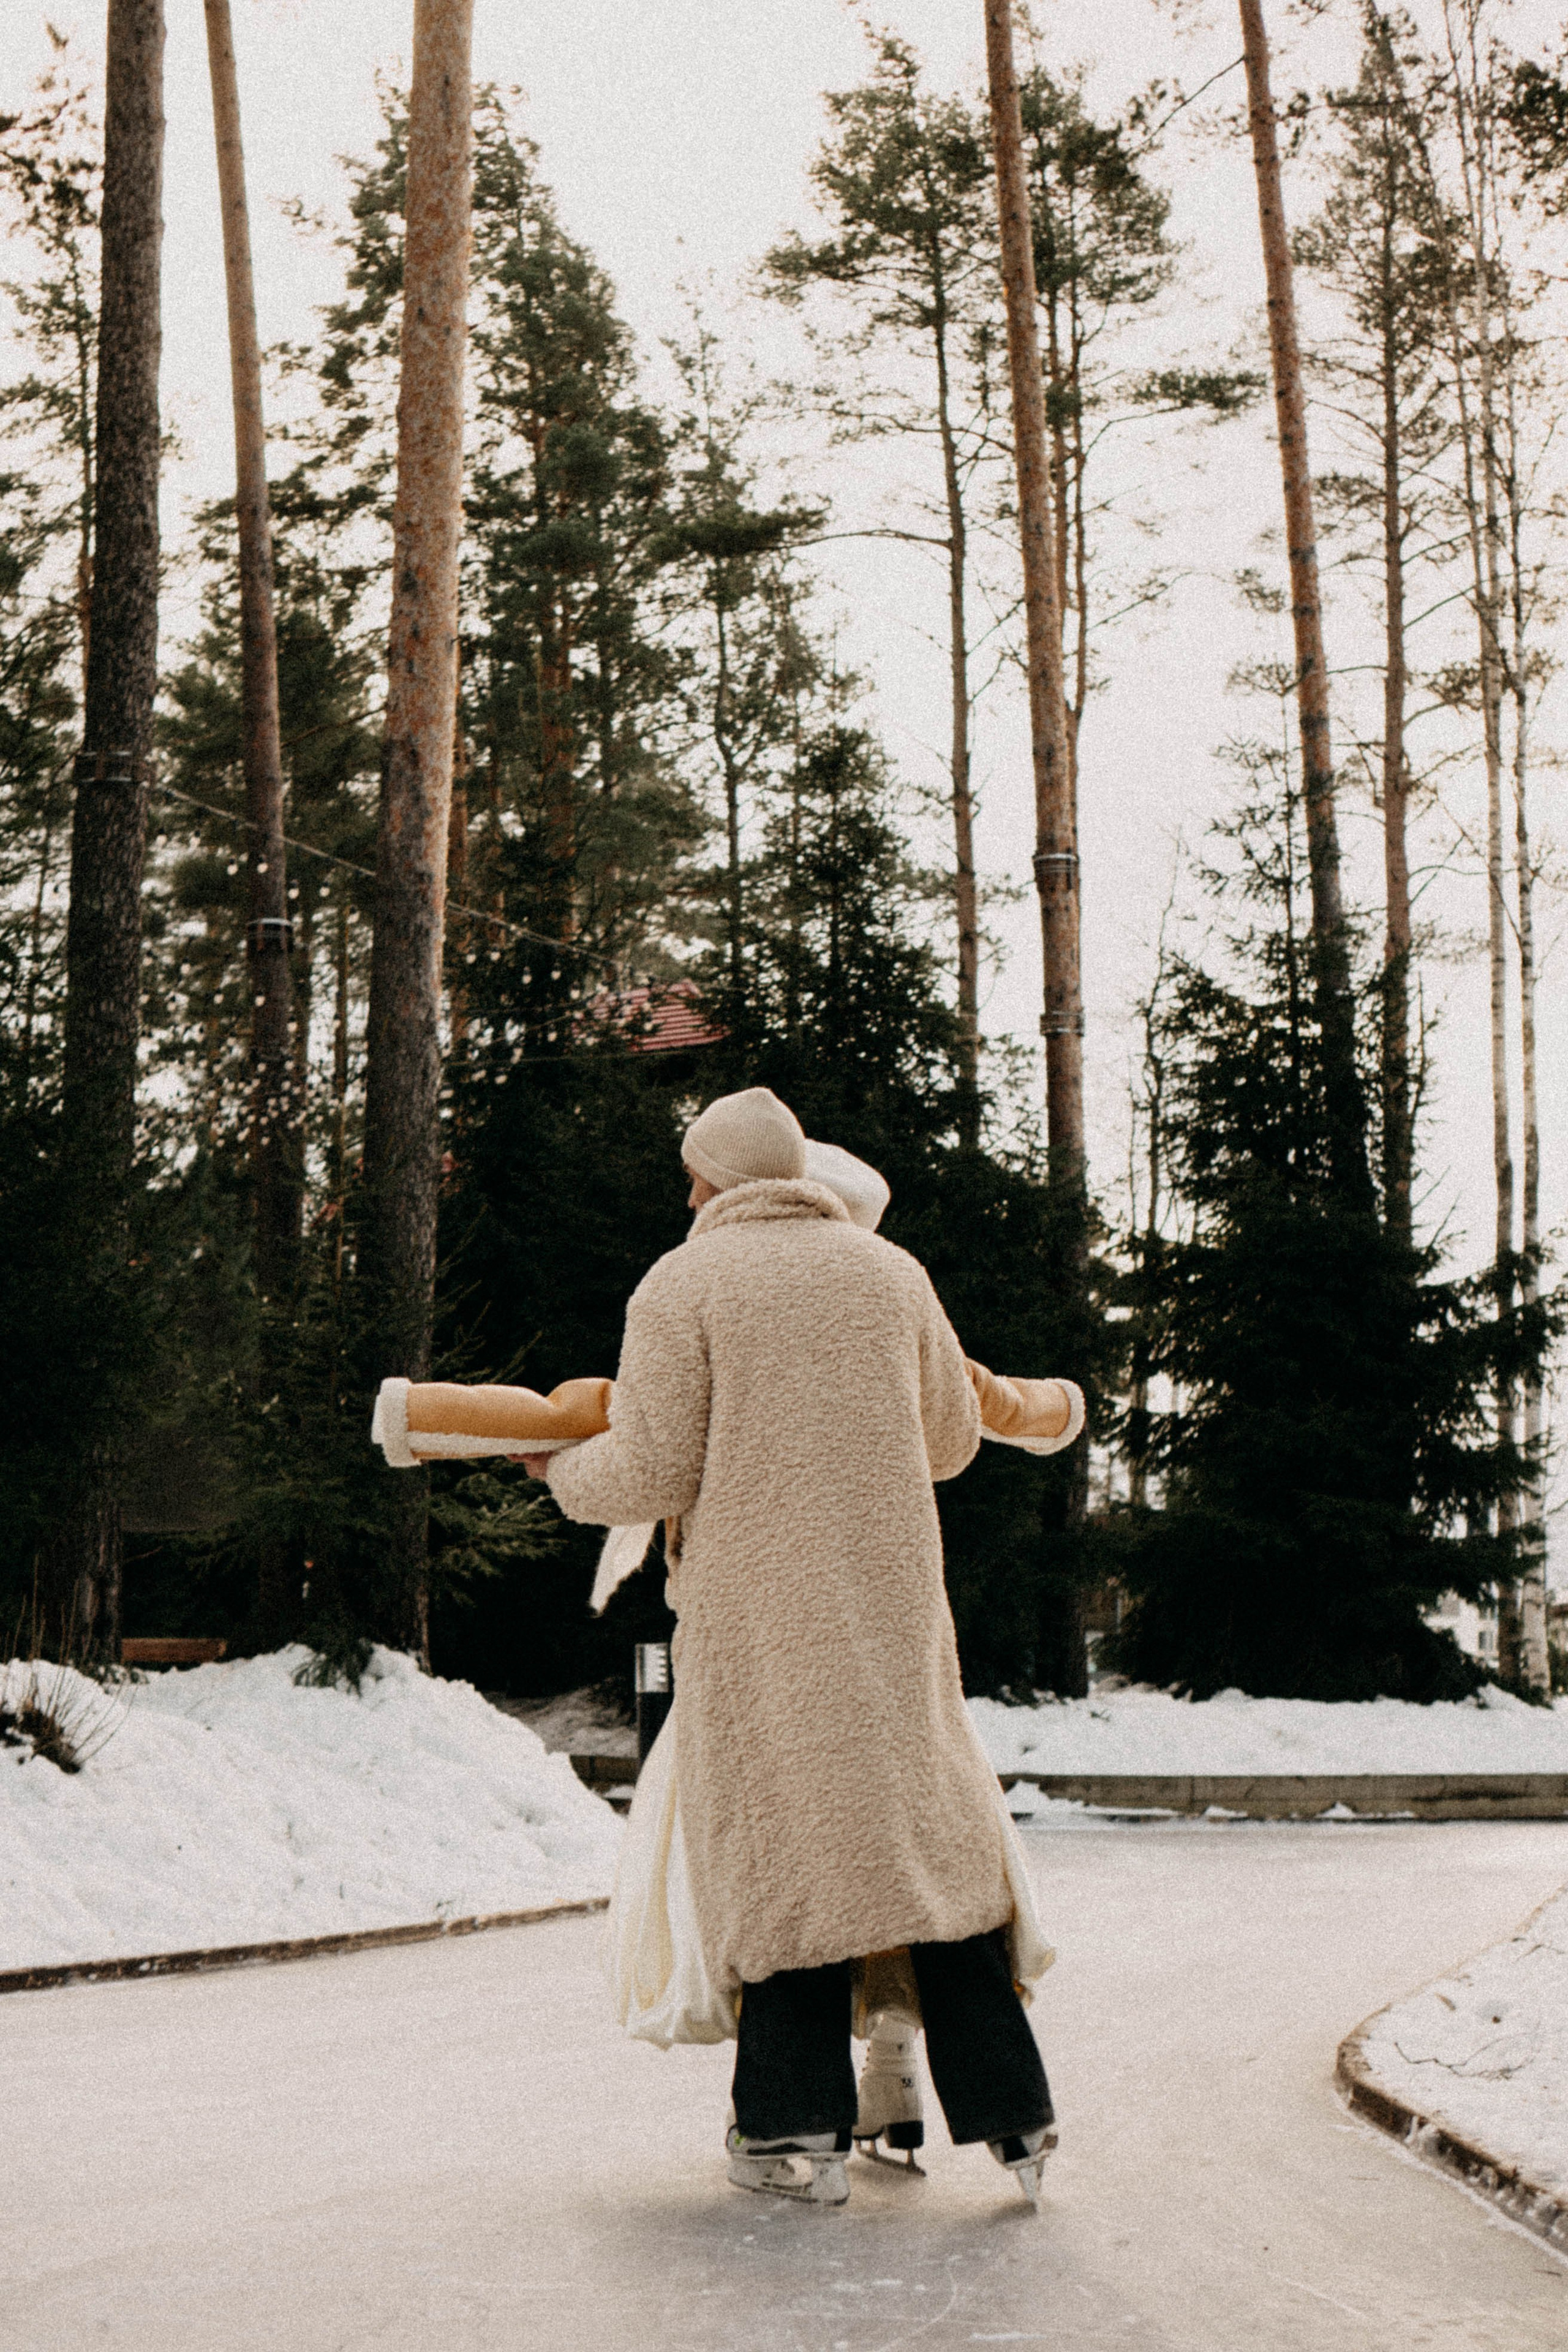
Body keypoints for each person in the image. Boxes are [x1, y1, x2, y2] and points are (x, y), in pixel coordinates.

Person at [519, 1086, 1057, 2207]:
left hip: (760, 1619)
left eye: (692, 1173)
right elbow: (953, 1441)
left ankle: (788, 2131)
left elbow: (653, 1467)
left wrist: (561, 1473)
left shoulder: (685, 1281)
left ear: (719, 1180)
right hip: (894, 1610)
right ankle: (1016, 2118)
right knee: (925, 1851)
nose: (687, 1192)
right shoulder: (891, 1271)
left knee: (789, 1855)